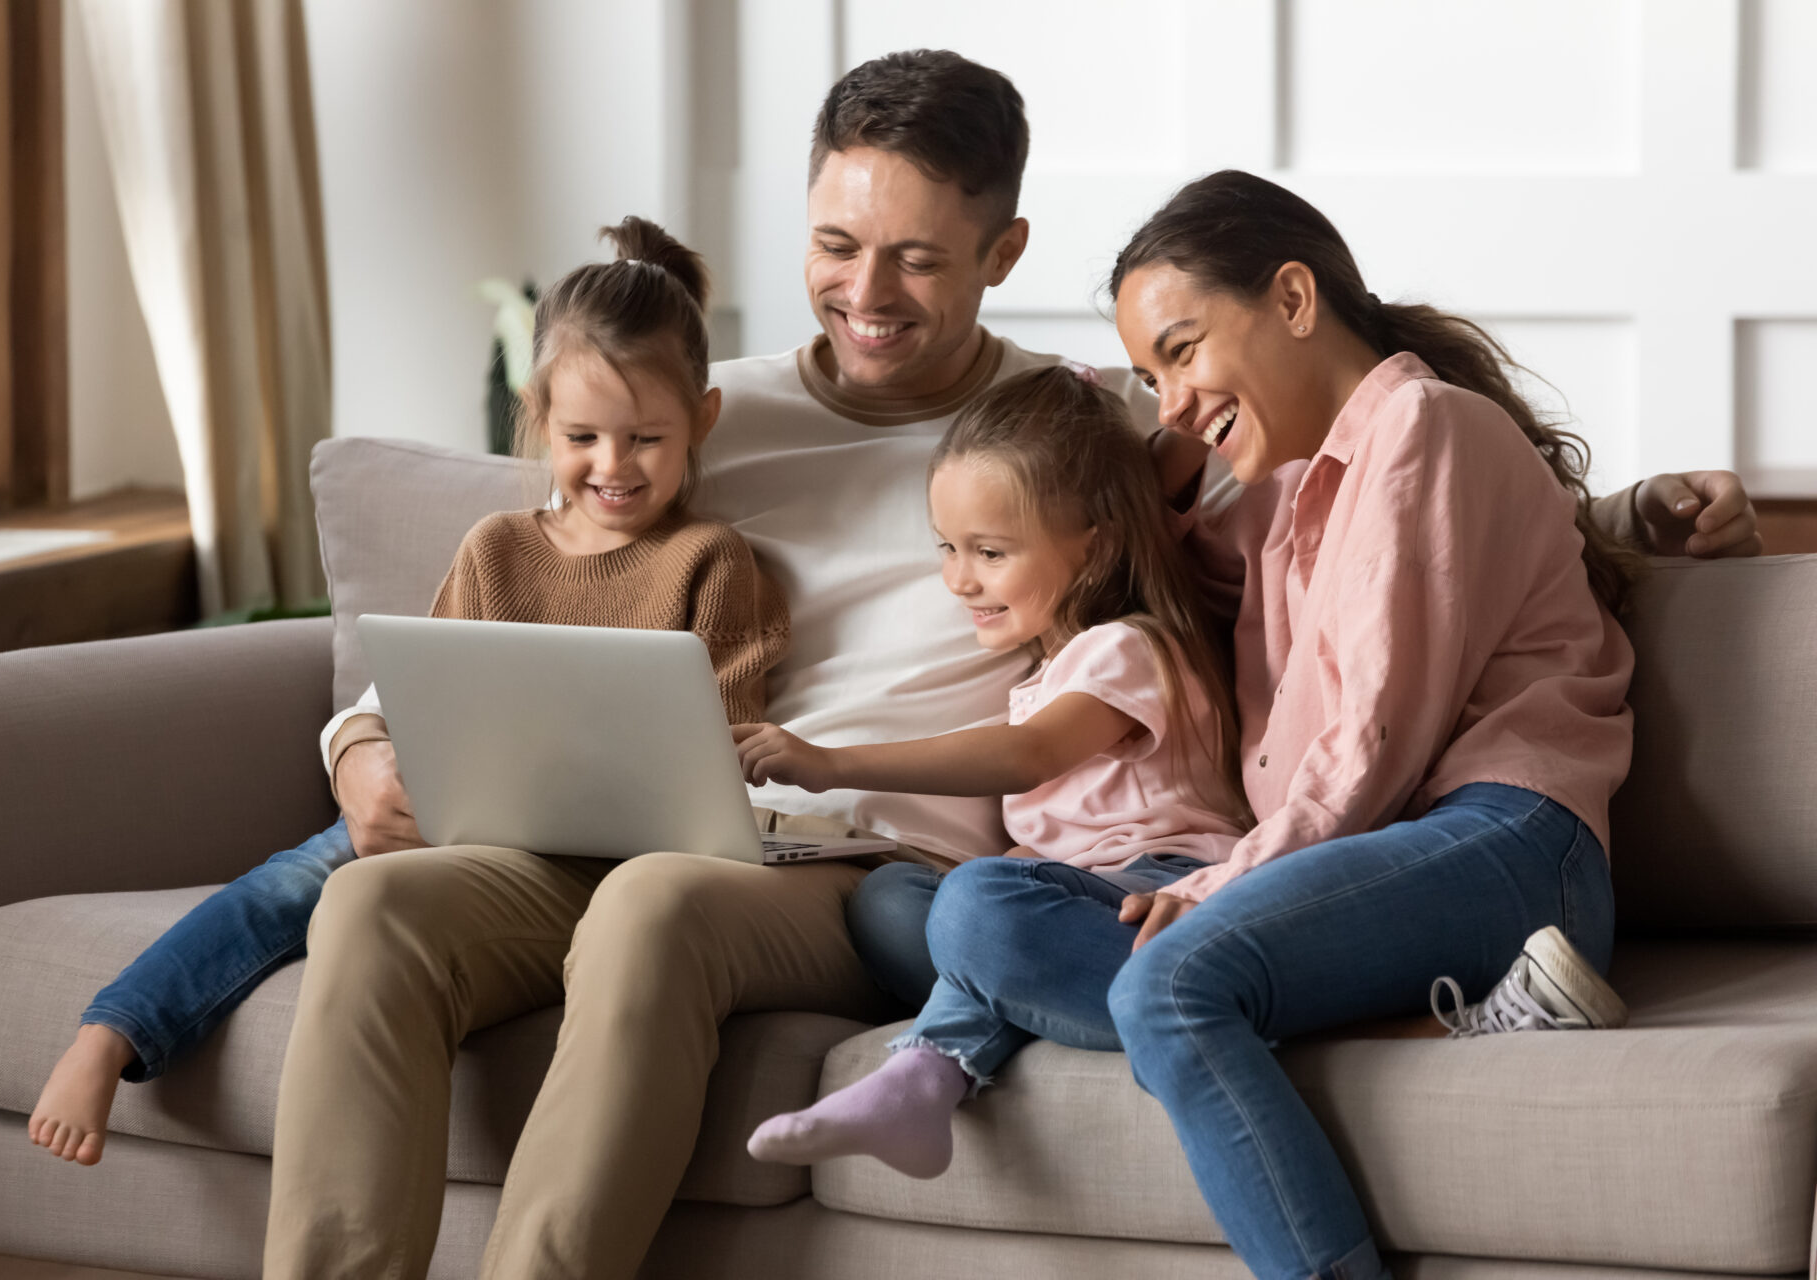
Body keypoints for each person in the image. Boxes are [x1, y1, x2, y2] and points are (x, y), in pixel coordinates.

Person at [270, 50, 1762, 1280]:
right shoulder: (691, 412)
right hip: (632, 807)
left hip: (845, 856)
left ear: (1002, 255)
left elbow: (1369, 519)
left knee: (691, 908)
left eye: (916, 259)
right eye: (836, 247)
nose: (865, 294)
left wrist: (1630, 515)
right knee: (378, 910)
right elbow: (521, 582)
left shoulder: (1091, 424)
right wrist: (362, 740)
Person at [892, 168, 1689, 1280]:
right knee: (976, 909)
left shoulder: (1426, 428)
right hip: (1377, 865)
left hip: (1510, 842)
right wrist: (1171, 439)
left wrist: (1218, 889)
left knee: (1170, 983)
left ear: (1296, 300)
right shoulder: (1277, 495)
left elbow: (1372, 743)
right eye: (1143, 373)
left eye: (1180, 350)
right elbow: (1140, 564)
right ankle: (1434, 1023)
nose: (1167, 396)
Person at [26, 216, 786, 1169]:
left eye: (647, 439)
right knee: (290, 882)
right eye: (583, 436)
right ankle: (113, 1034)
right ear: (538, 415)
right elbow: (421, 687)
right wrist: (373, 756)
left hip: (605, 860)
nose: (613, 466)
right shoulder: (497, 549)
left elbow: (720, 739)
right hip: (457, 822)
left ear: (702, 422)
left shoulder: (711, 560)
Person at [731, 364, 1249, 1179]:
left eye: (991, 552)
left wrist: (828, 763)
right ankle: (987, 1029)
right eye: (948, 547)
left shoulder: (1131, 648)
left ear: (1099, 546)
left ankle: (931, 1067)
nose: (960, 578)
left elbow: (1028, 753)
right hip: (1069, 896)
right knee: (891, 901)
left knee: (976, 900)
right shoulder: (1048, 668)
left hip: (1160, 889)